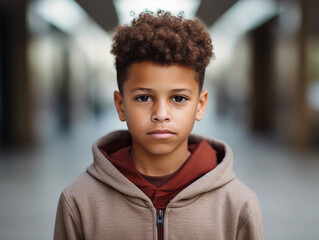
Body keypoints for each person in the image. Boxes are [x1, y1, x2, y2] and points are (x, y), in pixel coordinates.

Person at [54, 10, 264, 240]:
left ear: (201, 105)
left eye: (178, 98)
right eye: (144, 98)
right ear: (120, 105)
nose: (161, 114)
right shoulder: (79, 202)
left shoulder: (237, 204)